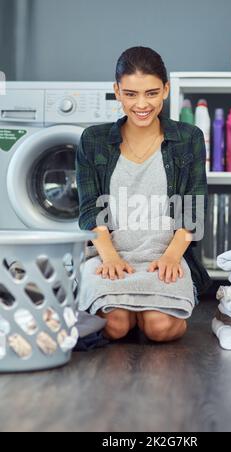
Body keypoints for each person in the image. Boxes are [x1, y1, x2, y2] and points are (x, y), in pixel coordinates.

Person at [76, 46, 212, 343]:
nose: (141, 104)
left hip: (163, 257)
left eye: (151, 93)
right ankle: (130, 310)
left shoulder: (188, 138)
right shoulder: (94, 140)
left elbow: (194, 207)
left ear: (166, 89)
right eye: (131, 94)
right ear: (117, 90)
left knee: (158, 328)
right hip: (110, 255)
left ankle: (146, 311)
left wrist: (173, 257)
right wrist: (109, 257)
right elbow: (89, 208)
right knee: (115, 326)